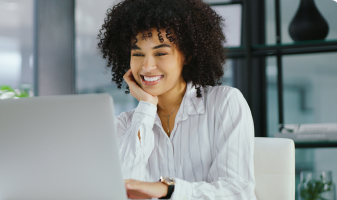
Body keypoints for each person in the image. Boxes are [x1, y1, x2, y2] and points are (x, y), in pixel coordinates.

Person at [97, 0, 256, 199]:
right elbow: (122, 193)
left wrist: (168, 189)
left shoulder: (225, 104)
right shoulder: (125, 125)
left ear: (187, 54)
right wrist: (146, 107)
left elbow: (236, 192)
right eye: (138, 54)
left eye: (161, 53)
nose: (146, 67)